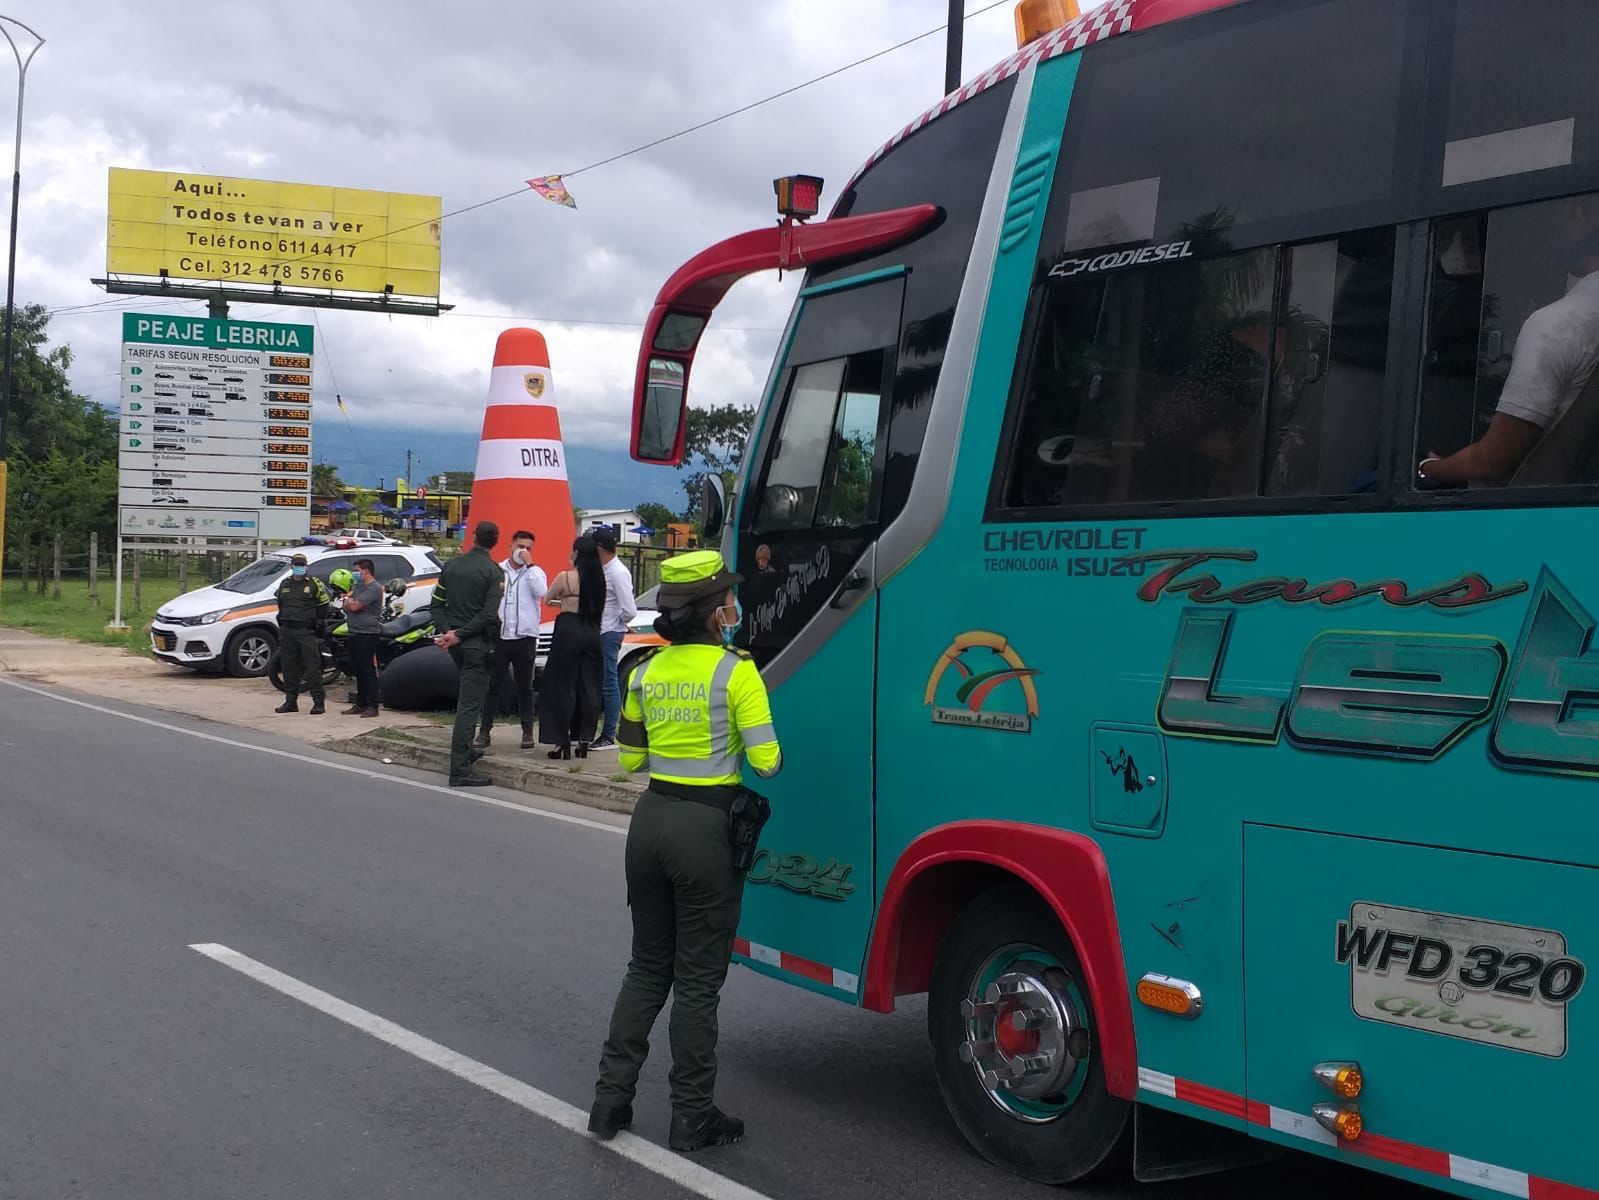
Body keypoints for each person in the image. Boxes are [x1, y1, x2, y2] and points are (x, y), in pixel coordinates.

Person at [589, 550, 782, 1153]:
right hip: (706, 828)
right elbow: (769, 763)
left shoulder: (644, 671)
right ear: (715, 612)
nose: (734, 608)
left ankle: (609, 1102)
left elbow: (629, 760)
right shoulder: (737, 671)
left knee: (647, 966)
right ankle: (691, 1116)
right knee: (698, 983)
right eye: (728, 599)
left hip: (649, 823)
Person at [1421, 205, 1599, 485]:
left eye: (1563, 217)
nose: (1555, 232)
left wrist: (1429, 468)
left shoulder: (1557, 325)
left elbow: (1493, 461)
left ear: (1584, 219)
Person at [432, 521, 505, 787]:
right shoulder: (493, 572)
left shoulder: (451, 566)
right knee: (469, 706)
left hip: (456, 645)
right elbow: (488, 614)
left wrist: (448, 633)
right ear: (495, 541)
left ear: (474, 538)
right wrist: (460, 634)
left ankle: (465, 753)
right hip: (476, 645)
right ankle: (460, 769)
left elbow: (436, 604)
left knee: (467, 701)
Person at [476, 529, 547, 751]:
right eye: (520, 547)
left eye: (528, 548)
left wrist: (530, 565)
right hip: (501, 635)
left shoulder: (536, 572)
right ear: (511, 546)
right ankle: (484, 731)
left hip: (525, 635)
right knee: (493, 685)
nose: (523, 551)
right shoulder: (497, 570)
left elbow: (541, 591)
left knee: (525, 686)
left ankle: (527, 731)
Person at [538, 536, 605, 759]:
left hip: (569, 630)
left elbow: (548, 599)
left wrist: (566, 602)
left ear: (576, 553)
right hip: (592, 632)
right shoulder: (599, 580)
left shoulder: (565, 577)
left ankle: (561, 741)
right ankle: (584, 739)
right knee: (589, 686)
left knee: (561, 685)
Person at [590, 528, 637, 751]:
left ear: (599, 548)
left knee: (609, 683)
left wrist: (616, 621)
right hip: (600, 630)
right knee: (600, 681)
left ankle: (610, 733)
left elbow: (629, 609)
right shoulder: (603, 569)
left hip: (609, 631)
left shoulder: (617, 572)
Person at [273, 553, 331, 715]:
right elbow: (280, 605)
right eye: (297, 564)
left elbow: (324, 604)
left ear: (306, 566)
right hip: (287, 630)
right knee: (289, 668)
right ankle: (291, 702)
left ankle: (318, 703)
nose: (300, 567)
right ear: (291, 567)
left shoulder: (314, 584)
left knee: (312, 667)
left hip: (305, 631)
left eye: (302, 564)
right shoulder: (285, 584)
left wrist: (318, 622)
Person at [342, 558, 383, 718]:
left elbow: (353, 605)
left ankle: (373, 706)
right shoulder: (359, 587)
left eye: (357, 570)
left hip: (368, 634)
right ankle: (360, 703)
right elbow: (348, 603)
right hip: (355, 632)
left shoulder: (374, 588)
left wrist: (350, 603)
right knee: (358, 670)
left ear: (365, 570)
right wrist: (349, 602)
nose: (355, 574)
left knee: (368, 671)